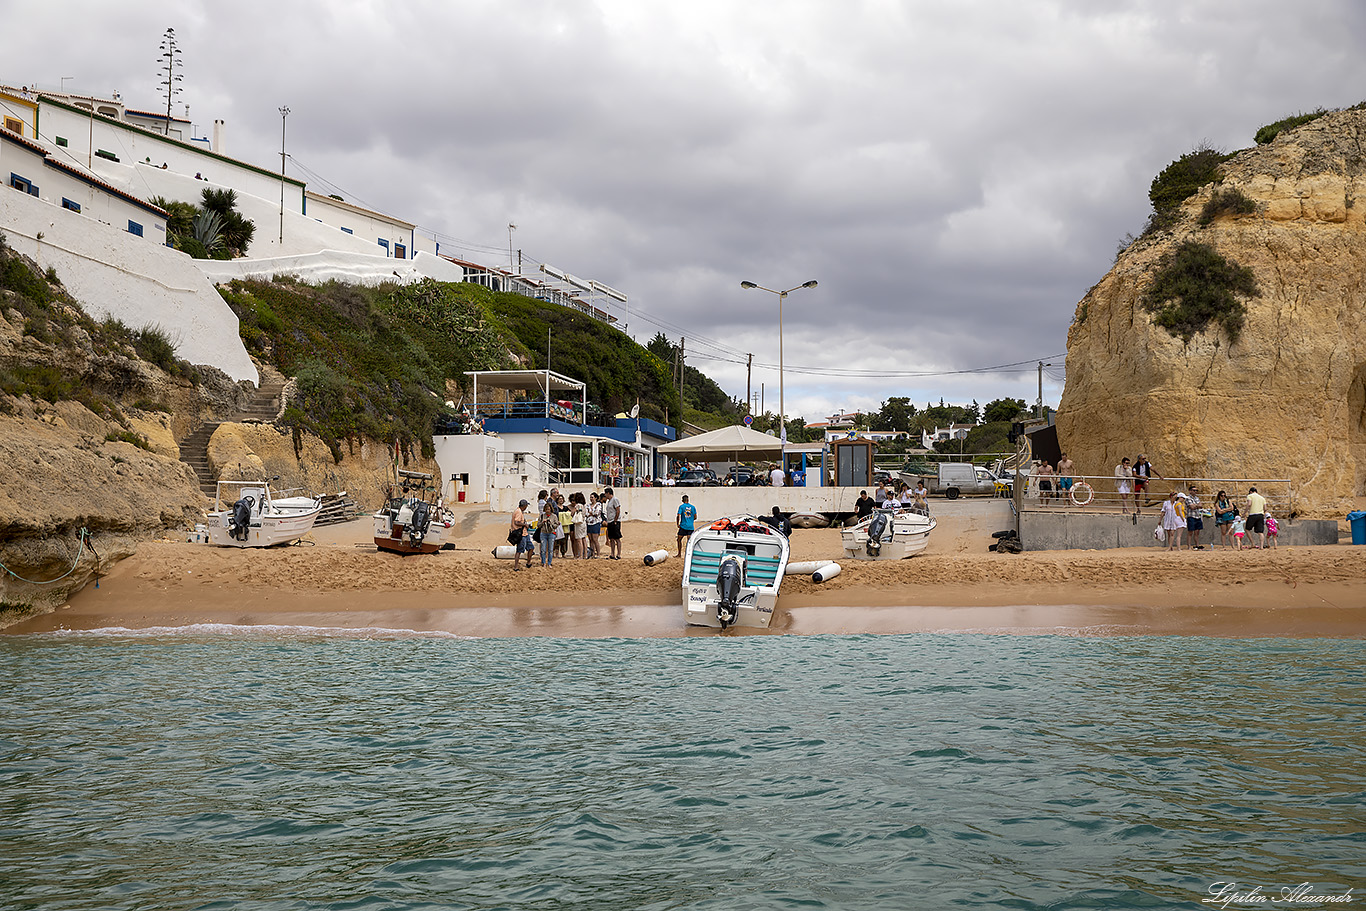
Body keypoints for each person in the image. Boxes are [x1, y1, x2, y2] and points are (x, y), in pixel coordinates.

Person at [508, 499, 534, 571]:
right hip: (521, 534)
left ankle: (528, 563)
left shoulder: (518, 511)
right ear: (524, 506)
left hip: (524, 533)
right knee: (519, 550)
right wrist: (525, 524)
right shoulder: (519, 512)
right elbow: (517, 522)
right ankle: (516, 567)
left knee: (531, 548)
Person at [603, 486, 623, 560]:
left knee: (617, 538)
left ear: (608, 493)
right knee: (611, 538)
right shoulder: (609, 501)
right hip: (610, 521)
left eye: (606, 493)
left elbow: (618, 510)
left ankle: (618, 554)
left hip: (614, 521)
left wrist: (615, 520)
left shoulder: (615, 500)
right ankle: (612, 553)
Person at [538, 501, 560, 566]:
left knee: (550, 549)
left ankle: (549, 562)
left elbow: (556, 525)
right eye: (546, 509)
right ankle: (543, 562)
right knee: (543, 549)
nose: (547, 511)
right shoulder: (542, 516)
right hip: (543, 533)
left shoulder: (554, 516)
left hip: (551, 533)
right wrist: (542, 522)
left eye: (549, 509)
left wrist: (551, 523)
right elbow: (538, 525)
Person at [1185, 485, 1205, 549]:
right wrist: (1197, 505)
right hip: (1191, 516)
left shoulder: (1197, 498)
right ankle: (1189, 546)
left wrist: (1195, 505)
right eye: (1194, 490)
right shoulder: (1188, 498)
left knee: (1197, 532)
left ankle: (1197, 545)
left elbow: (1200, 505)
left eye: (1196, 490)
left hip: (1197, 516)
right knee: (1190, 532)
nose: (1195, 492)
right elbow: (1192, 507)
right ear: (1190, 491)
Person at [585, 493, 604, 558]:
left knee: (595, 539)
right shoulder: (588, 505)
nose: (591, 499)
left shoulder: (598, 505)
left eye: (592, 497)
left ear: (596, 498)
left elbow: (597, 513)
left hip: (596, 523)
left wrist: (591, 513)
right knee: (590, 540)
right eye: (590, 497)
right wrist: (591, 513)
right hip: (589, 523)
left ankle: (598, 554)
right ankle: (592, 554)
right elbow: (586, 513)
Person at [570, 493, 587, 558]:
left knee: (579, 539)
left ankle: (580, 555)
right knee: (584, 539)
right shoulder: (583, 506)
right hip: (583, 522)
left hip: (578, 523)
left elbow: (572, 513)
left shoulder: (577, 505)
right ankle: (585, 555)